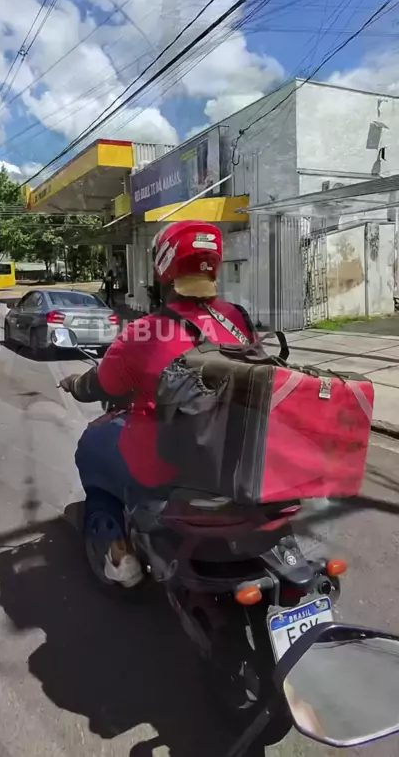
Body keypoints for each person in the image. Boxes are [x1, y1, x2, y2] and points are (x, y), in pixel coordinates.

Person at [59, 221, 255, 587]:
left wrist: (74, 384)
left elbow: (100, 384)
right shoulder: (237, 319)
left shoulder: (144, 332)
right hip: (241, 457)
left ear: (162, 268)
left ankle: (119, 554)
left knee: (92, 447)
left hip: (172, 467)